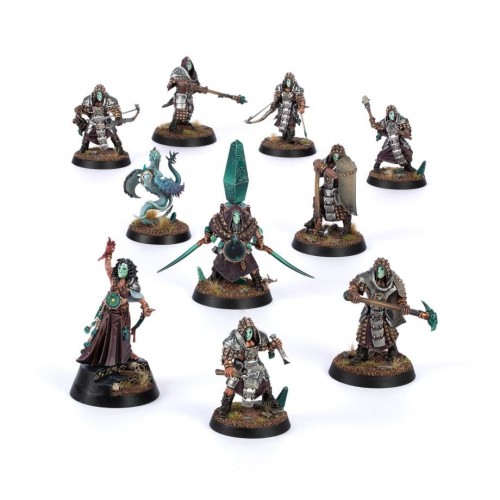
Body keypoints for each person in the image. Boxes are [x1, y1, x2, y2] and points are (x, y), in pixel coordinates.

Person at [77, 238, 154, 367]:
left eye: (124, 268)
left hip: (122, 315)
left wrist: (145, 308)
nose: (121, 270)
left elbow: (141, 298)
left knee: (122, 337)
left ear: (128, 271)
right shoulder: (114, 279)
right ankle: (99, 356)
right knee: (102, 334)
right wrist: (108, 254)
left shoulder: (132, 284)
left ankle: (126, 354)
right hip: (108, 313)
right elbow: (108, 268)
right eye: (120, 267)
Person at [218, 317, 284, 417]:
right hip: (240, 367)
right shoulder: (234, 340)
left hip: (256, 364)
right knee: (231, 384)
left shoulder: (258, 337)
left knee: (266, 381)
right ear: (241, 332)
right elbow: (227, 355)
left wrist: (273, 345)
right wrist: (228, 366)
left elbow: (266, 347)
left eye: (250, 332)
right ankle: (226, 405)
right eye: (246, 332)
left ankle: (268, 399)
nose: (248, 334)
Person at [348, 257, 410, 363]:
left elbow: (401, 296)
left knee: (389, 334)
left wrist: (403, 306)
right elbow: (355, 283)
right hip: (370, 311)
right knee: (364, 332)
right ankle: (362, 354)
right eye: (378, 269)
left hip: (386, 312)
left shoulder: (395, 280)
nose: (380, 272)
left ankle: (392, 352)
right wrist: (354, 293)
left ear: (387, 270)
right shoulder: (368, 276)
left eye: (382, 269)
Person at [205, 203, 265, 290]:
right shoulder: (223, 225)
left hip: (243, 250)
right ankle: (215, 277)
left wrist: (260, 243)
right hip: (226, 249)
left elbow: (258, 233)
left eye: (238, 216)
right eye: (234, 216)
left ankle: (257, 282)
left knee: (252, 266)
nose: (236, 218)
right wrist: (207, 236)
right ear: (231, 217)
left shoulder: (249, 225)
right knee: (219, 263)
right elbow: (211, 229)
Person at [304, 144, 357, 236]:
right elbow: (320, 170)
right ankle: (316, 220)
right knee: (317, 200)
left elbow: (334, 175)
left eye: (337, 155)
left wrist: (322, 167)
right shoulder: (328, 161)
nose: (335, 157)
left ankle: (347, 227)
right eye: (334, 155)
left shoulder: (347, 164)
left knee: (342, 209)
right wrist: (316, 164)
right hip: (327, 187)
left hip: (341, 190)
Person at [73, 84, 125, 154]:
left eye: (101, 94)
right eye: (98, 94)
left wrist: (118, 118)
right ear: (95, 94)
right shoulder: (88, 100)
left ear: (104, 93)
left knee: (113, 132)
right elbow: (84, 108)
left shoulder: (109, 100)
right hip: (93, 119)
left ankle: (119, 148)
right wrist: (79, 109)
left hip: (105, 119)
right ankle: (83, 148)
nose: (99, 96)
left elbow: (116, 110)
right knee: (87, 133)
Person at [165, 56, 206, 131]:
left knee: (189, 110)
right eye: (188, 64)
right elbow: (173, 82)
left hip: (189, 97)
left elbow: (196, 86)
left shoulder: (193, 75)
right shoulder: (178, 72)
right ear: (184, 64)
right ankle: (173, 126)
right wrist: (184, 83)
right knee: (179, 112)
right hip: (181, 96)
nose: (190, 66)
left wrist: (201, 89)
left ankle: (184, 123)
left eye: (191, 64)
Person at [369, 105, 414, 171]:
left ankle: (407, 166)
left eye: (392, 113)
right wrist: (373, 123)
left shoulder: (402, 120)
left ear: (395, 113)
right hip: (390, 141)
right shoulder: (384, 121)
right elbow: (378, 127)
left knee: (408, 152)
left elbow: (407, 129)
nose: (391, 115)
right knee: (382, 154)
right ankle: (376, 166)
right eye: (389, 114)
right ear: (387, 114)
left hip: (400, 140)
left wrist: (405, 132)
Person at [270, 72, 306, 142]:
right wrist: (275, 102)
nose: (288, 83)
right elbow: (277, 98)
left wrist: (302, 107)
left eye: (289, 81)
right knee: (282, 123)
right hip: (283, 109)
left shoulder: (296, 89)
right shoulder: (281, 88)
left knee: (291, 124)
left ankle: (290, 138)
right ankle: (284, 136)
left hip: (291, 110)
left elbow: (301, 100)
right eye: (287, 81)